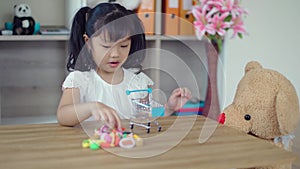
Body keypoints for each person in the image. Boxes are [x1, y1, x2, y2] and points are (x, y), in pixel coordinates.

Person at [56, 3, 192, 129]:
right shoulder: (80, 80)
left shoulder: (137, 81)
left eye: (123, 45)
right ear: (88, 43)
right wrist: (92, 107)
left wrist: (168, 108)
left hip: (126, 147)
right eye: (106, 46)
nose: (115, 54)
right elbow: (63, 115)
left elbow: (147, 113)